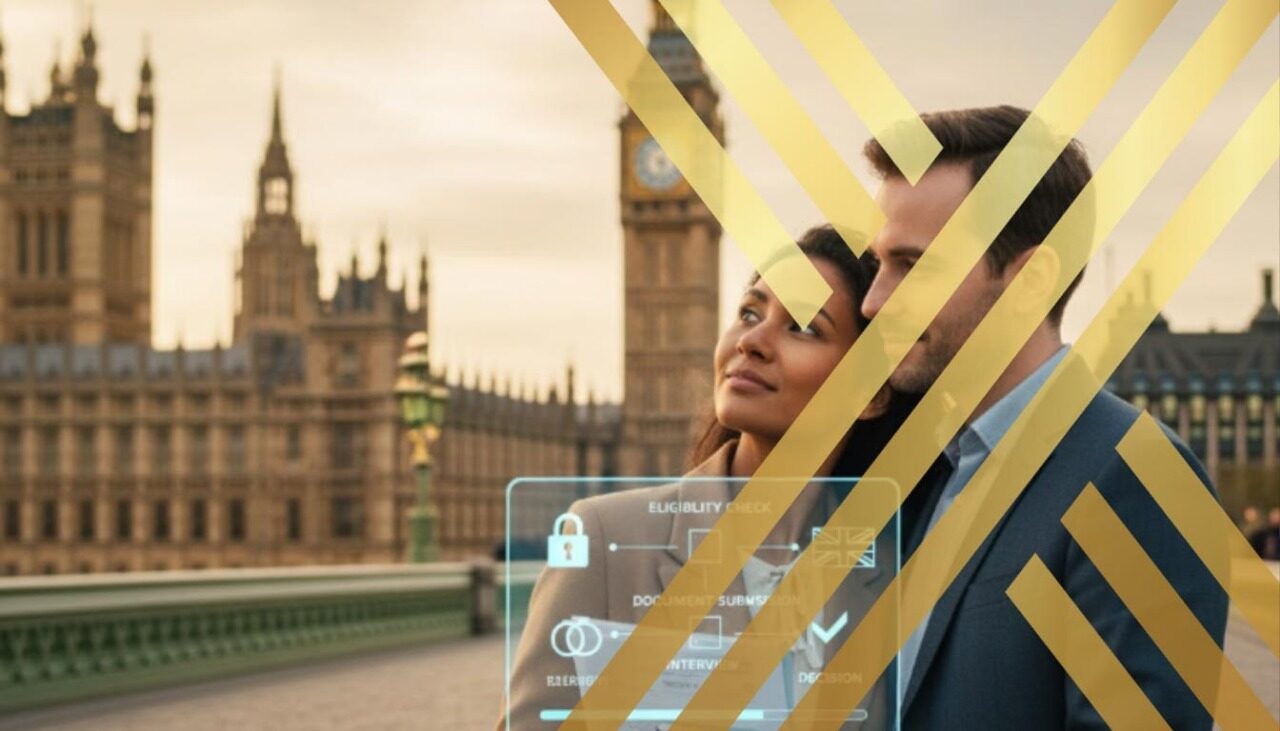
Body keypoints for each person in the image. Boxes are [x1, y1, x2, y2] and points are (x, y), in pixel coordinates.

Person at [860, 106, 1227, 730]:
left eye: (913, 267)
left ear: (1030, 282)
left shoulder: (1136, 478)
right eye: (878, 266)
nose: (874, 302)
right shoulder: (926, 478)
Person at [500, 226, 915, 729]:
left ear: (870, 394)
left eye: (803, 327)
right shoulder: (605, 542)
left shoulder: (895, 573)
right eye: (749, 313)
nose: (754, 341)